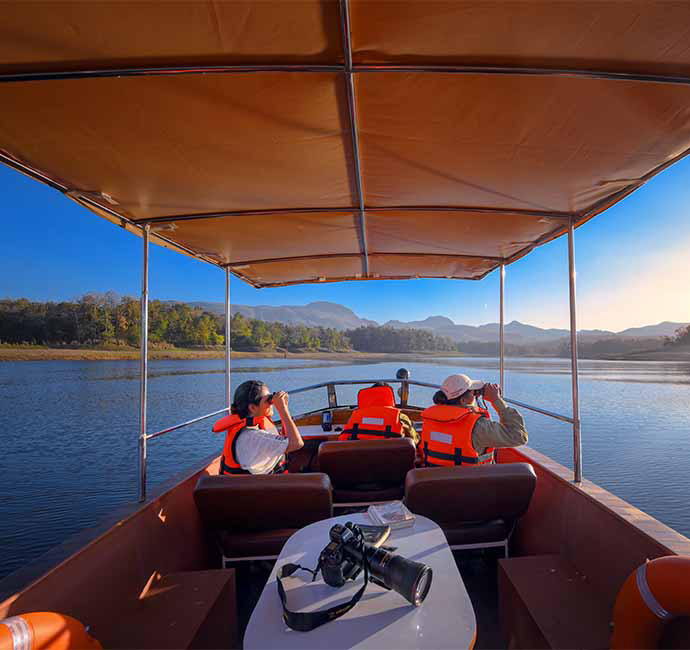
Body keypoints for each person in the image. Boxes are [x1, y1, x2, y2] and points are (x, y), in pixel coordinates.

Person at [419, 373, 527, 467]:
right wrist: (496, 400)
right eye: (473, 393)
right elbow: (519, 436)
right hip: (470, 485)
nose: (475, 395)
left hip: (436, 482)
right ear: (462, 400)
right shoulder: (478, 426)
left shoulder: (430, 419)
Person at [212, 380, 303, 475]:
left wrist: (284, 407)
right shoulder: (251, 436)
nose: (272, 403)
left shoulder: (250, 429)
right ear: (252, 408)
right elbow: (297, 444)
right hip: (263, 485)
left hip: (259, 481)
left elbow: (287, 440)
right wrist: (283, 409)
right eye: (268, 400)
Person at [338, 382, 419, 443]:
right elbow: (415, 441)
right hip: (392, 463)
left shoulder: (356, 416)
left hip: (360, 463)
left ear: (369, 397)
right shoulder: (400, 417)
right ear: (389, 397)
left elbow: (341, 440)